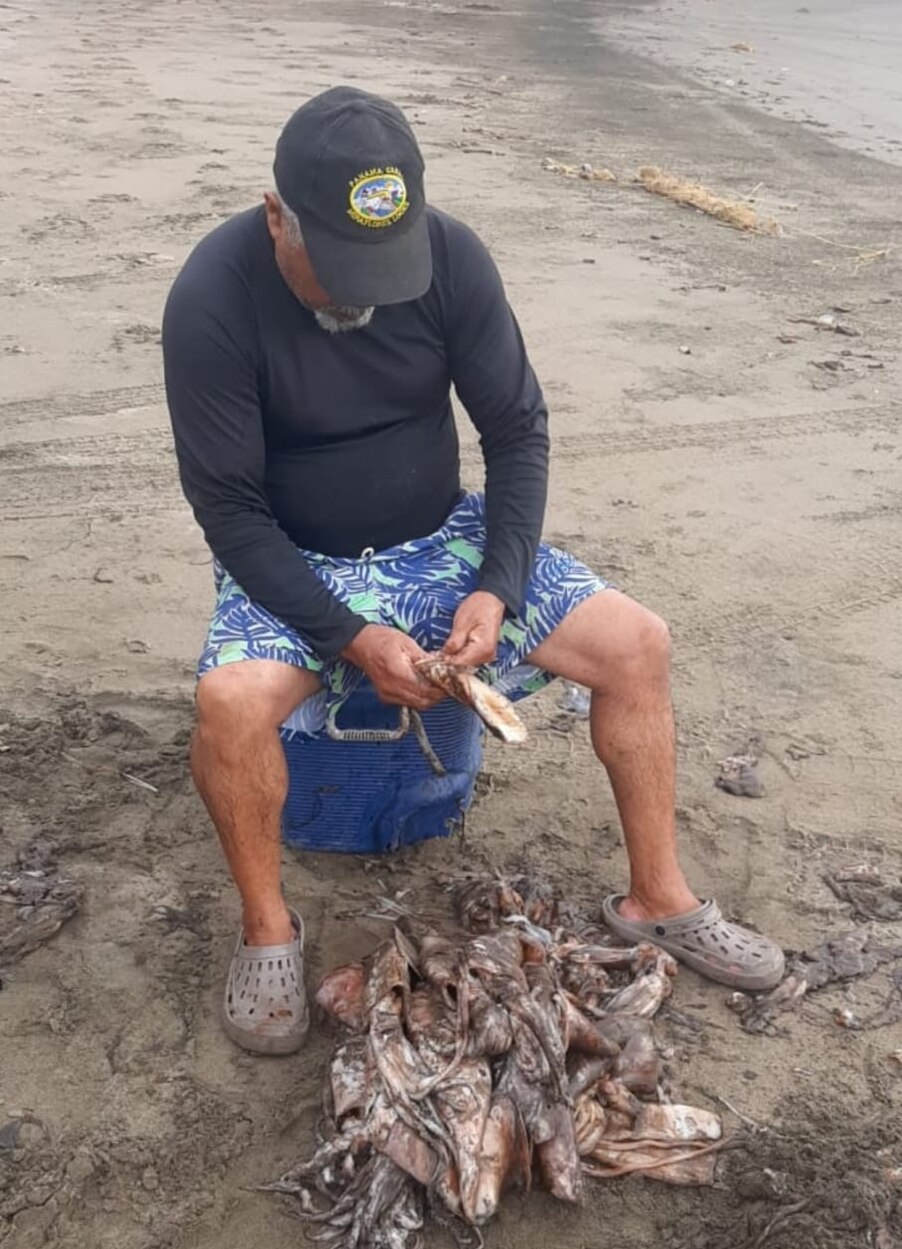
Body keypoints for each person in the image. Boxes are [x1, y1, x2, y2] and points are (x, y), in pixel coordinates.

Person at [161, 86, 785, 1056]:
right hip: (292, 555)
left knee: (636, 644)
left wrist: (494, 583)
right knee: (230, 704)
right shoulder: (211, 298)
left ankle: (656, 897)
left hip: (439, 541)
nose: (362, 292)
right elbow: (229, 512)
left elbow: (515, 431)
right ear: (277, 214)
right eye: (337, 266)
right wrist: (348, 635)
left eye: (384, 265)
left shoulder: (450, 258)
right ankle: (267, 930)